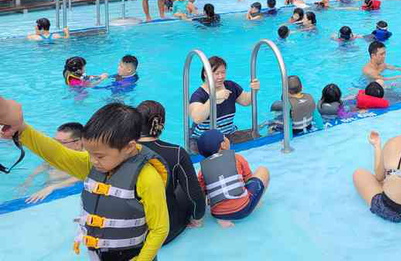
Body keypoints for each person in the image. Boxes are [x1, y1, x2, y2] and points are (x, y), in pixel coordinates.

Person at [2, 101, 169, 260]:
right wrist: (22, 130)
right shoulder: (94, 164)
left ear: (129, 147)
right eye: (89, 153)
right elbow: (58, 154)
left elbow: (160, 229)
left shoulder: (147, 178)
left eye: (99, 156)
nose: (93, 161)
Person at [137, 100, 206, 244]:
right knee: (188, 185)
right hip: (163, 232)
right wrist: (197, 218)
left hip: (128, 235)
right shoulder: (176, 153)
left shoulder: (120, 151)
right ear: (161, 124)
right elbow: (194, 195)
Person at [197, 129, 270, 227]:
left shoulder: (202, 170)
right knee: (263, 170)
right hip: (242, 209)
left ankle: (222, 219)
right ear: (223, 145)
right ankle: (257, 203)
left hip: (217, 213)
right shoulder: (237, 158)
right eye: (224, 137)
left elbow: (201, 193)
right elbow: (248, 180)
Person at [188, 55, 260, 147]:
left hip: (228, 134)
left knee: (258, 139)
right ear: (206, 74)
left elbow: (246, 101)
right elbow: (197, 118)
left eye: (223, 72)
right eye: (216, 73)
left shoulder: (231, 86)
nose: (221, 76)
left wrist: (254, 90)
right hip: (203, 139)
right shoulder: (198, 95)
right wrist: (214, 98)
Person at [20, 122, 83, 204]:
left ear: (77, 144)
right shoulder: (58, 150)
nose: (55, 145)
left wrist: (51, 187)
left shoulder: (88, 157)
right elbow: (45, 164)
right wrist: (29, 179)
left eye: (62, 142)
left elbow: (84, 175)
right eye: (55, 140)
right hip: (48, 186)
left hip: (61, 190)